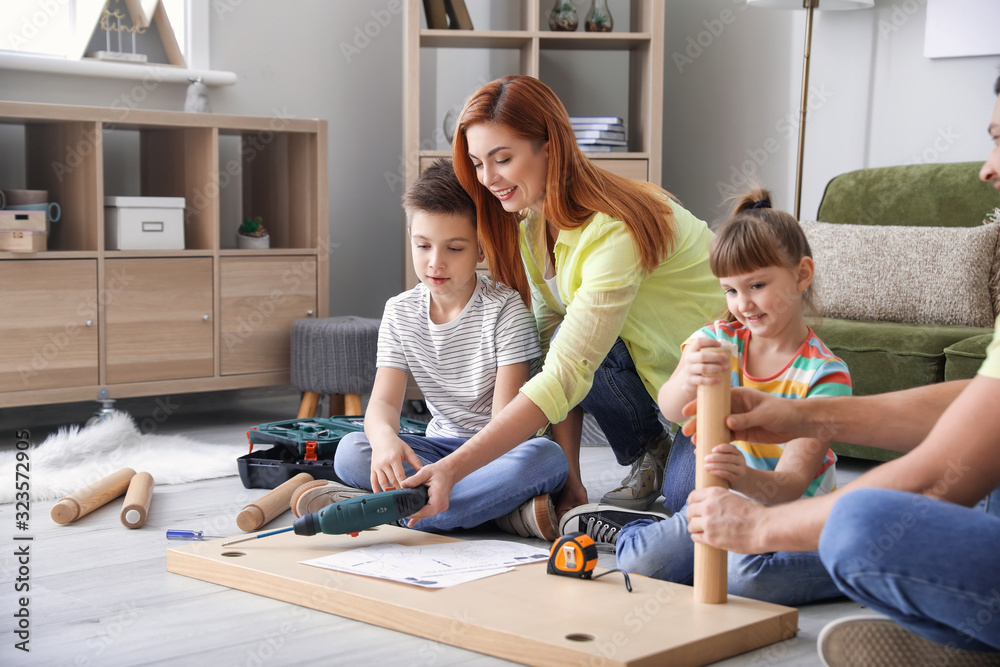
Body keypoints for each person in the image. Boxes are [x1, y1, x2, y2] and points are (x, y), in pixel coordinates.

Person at [683, 76, 1000, 662]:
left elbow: (940, 478)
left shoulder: (820, 364)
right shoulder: (722, 339)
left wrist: (756, 529)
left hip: (773, 509)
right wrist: (803, 416)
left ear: (802, 276)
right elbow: (980, 405)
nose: (986, 168)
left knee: (861, 525)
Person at [401, 75, 725, 521]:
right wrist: (569, 476)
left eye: (503, 159)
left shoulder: (612, 231)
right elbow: (553, 346)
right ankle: (653, 448)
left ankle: (715, 455)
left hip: (723, 382)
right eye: (477, 163)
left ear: (549, 147)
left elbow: (566, 374)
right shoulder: (533, 224)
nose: (488, 179)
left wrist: (454, 468)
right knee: (566, 340)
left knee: (692, 497)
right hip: (658, 375)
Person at [558, 188, 852, 606]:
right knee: (639, 561)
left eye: (757, 285)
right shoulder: (717, 338)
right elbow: (671, 407)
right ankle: (639, 530)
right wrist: (688, 377)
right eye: (730, 291)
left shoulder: (825, 374)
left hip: (790, 516)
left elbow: (790, 487)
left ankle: (856, 560)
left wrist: (743, 478)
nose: (743, 304)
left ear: (802, 275)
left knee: (745, 580)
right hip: (723, 500)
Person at [296, 159, 568, 540]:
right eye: (422, 245)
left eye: (454, 248)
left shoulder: (506, 311)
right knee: (351, 449)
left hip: (496, 452)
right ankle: (494, 512)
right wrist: (386, 441)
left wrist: (453, 472)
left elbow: (505, 426)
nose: (434, 263)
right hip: (435, 448)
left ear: (480, 250)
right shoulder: (400, 311)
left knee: (547, 460)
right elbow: (384, 405)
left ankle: (390, 508)